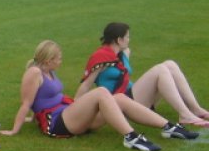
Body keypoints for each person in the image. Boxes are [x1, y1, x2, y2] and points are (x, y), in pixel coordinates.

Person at [2, 40, 196, 150]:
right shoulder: (34, 73)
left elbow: (40, 100)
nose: (61, 61)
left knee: (119, 98)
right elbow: (26, 103)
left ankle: (169, 127)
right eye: (59, 58)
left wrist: (33, 117)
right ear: (49, 60)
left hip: (67, 113)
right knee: (102, 92)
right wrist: (14, 130)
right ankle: (131, 137)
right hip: (57, 122)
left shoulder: (48, 71)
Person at [76, 22, 209, 128]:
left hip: (135, 97)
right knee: (160, 70)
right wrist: (74, 108)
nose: (129, 39)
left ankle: (195, 109)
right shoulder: (100, 57)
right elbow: (86, 84)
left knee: (170, 64)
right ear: (119, 40)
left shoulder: (124, 52)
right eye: (127, 37)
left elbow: (123, 72)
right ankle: (185, 115)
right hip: (120, 103)